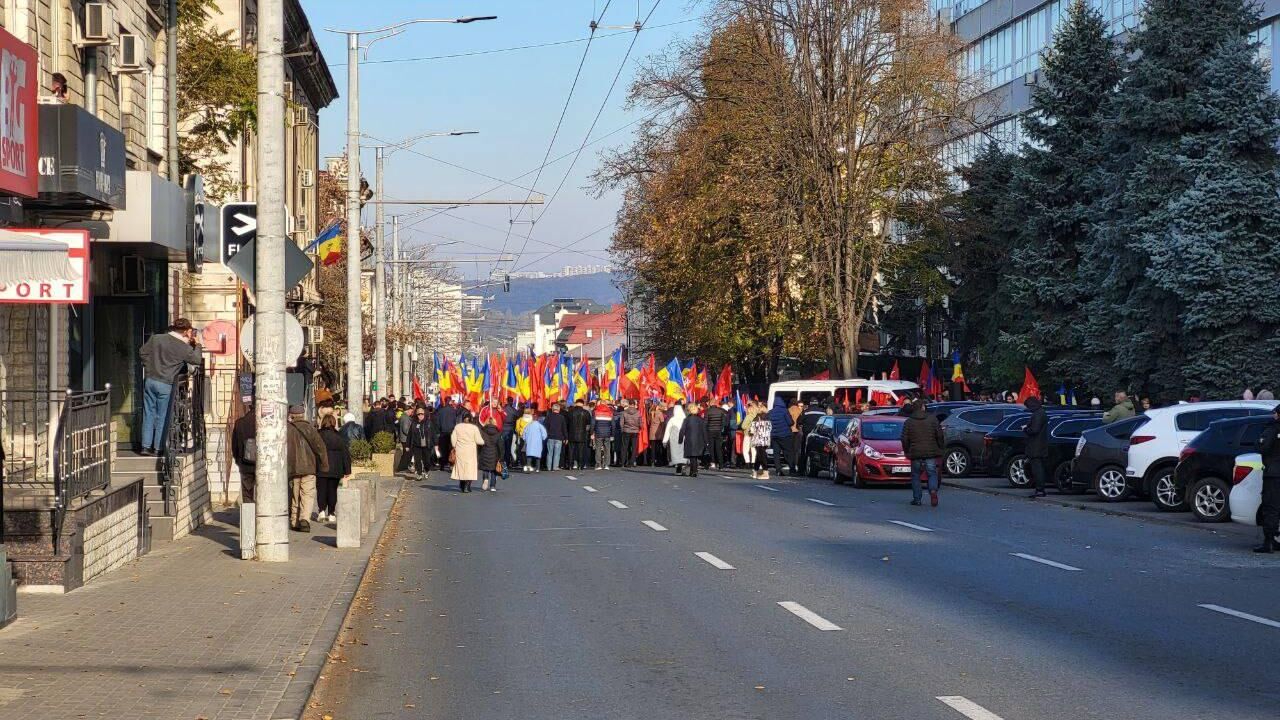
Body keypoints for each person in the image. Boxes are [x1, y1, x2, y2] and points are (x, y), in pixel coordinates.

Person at [138, 318, 204, 455]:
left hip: (150, 379)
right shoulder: (183, 347)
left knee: (148, 413)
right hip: (165, 383)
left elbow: (142, 352)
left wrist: (149, 367)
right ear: (186, 331)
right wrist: (197, 345)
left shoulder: (156, 338)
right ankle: (158, 448)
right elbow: (197, 360)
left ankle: (145, 446)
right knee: (162, 416)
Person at [286, 405, 328, 532]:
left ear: (291, 416)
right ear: (303, 415)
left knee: (295, 494)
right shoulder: (311, 429)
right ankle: (304, 519)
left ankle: (294, 520)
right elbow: (320, 448)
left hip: (292, 468)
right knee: (307, 494)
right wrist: (324, 466)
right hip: (309, 467)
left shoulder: (286, 429)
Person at [901, 399, 944, 507]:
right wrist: (940, 447)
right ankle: (933, 491)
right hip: (930, 451)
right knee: (931, 472)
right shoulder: (932, 419)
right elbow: (939, 435)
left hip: (915, 452)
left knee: (916, 475)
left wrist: (907, 450)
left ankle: (917, 499)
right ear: (923, 407)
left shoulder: (909, 421)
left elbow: (904, 438)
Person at [316, 415, 351, 523]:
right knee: (332, 490)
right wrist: (347, 470)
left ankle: (321, 511)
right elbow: (345, 454)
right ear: (334, 423)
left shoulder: (318, 435)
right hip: (336, 468)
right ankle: (331, 513)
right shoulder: (339, 436)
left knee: (321, 490)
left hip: (321, 467)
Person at [1255, 406, 1280, 553]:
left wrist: (1258, 441)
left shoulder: (1273, 429)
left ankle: (1268, 542)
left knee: (1271, 508)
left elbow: (1262, 447)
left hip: (1274, 475)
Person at [451, 415, 486, 492]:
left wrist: (454, 446)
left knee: (461, 467)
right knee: (470, 468)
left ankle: (462, 484)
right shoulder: (474, 428)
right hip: (470, 451)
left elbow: (453, 438)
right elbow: (478, 440)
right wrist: (484, 442)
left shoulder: (458, 427)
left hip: (460, 450)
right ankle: (467, 486)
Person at [1023, 395, 1049, 498]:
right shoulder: (1041, 412)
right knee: (1038, 467)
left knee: (1037, 468)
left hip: (1036, 446)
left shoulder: (1037, 414)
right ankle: (1039, 488)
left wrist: (1025, 429)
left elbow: (1034, 430)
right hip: (1040, 445)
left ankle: (1039, 489)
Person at [231, 407, 256, 504]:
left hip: (245, 465)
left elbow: (234, 445)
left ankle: (248, 516)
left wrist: (238, 460)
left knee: (247, 493)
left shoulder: (240, 423)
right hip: (262, 464)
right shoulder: (264, 424)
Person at [679, 403, 708, 477]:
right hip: (699, 440)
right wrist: (706, 441)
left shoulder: (687, 419)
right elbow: (704, 431)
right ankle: (694, 470)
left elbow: (682, 430)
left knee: (692, 456)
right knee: (695, 456)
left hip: (689, 439)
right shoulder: (701, 420)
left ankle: (693, 471)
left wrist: (680, 439)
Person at [768, 397, 793, 476]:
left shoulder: (770, 412)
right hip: (785, 435)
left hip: (774, 435)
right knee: (788, 452)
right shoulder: (784, 411)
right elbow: (790, 422)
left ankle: (778, 470)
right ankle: (792, 469)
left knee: (776, 453)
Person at [409, 406, 436, 478]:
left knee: (427, 461)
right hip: (416, 444)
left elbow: (433, 434)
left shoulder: (429, 423)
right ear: (416, 415)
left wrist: (436, 444)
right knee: (417, 460)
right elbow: (410, 434)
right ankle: (419, 474)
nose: (420, 416)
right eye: (419, 414)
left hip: (427, 444)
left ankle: (426, 470)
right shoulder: (414, 423)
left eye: (422, 414)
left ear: (424, 414)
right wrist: (407, 445)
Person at [567, 399, 592, 470]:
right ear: (583, 404)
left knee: (571, 451)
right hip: (582, 434)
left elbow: (567, 423)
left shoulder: (570, 412)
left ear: (576, 403)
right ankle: (580, 466)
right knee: (581, 451)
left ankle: (570, 466)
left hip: (571, 434)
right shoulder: (586, 412)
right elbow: (588, 423)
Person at [479, 419, 503, 491]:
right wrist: (501, 456)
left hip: (484, 452)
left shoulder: (482, 432)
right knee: (493, 470)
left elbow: (479, 444)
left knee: (485, 468)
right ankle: (492, 486)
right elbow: (500, 446)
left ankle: (485, 479)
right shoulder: (498, 433)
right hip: (494, 453)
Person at [664, 402, 687, 474]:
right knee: (683, 453)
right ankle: (683, 466)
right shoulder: (685, 419)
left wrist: (665, 440)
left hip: (674, 440)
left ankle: (679, 469)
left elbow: (667, 430)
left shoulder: (672, 419)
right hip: (684, 439)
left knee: (676, 454)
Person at [437, 398, 460, 471]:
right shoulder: (453, 411)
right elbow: (455, 421)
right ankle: (451, 464)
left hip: (443, 432)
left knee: (443, 449)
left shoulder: (441, 411)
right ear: (450, 402)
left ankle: (442, 465)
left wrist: (439, 430)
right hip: (451, 432)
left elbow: (438, 422)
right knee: (451, 448)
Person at [617, 400, 641, 467]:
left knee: (624, 447)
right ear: (634, 404)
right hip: (635, 431)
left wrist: (622, 429)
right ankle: (632, 462)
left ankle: (623, 463)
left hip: (626, 431)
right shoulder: (638, 412)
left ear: (629, 404)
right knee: (633, 448)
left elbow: (621, 423)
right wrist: (639, 428)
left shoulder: (624, 412)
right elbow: (640, 423)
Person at [749, 409, 772, 479]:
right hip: (766, 440)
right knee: (759, 455)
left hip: (758, 440)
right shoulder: (768, 420)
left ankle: (765, 472)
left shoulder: (756, 419)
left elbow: (751, 431)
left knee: (761, 455)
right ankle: (755, 471)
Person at [704, 400, 727, 470]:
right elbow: (723, 422)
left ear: (710, 404)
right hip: (718, 432)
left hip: (710, 431)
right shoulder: (721, 411)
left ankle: (713, 462)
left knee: (711, 448)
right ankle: (721, 465)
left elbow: (705, 422)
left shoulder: (708, 411)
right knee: (718, 448)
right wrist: (720, 429)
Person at [592, 400, 615, 470]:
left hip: (598, 433)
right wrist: (612, 434)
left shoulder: (595, 412)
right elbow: (613, 425)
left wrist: (592, 433)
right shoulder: (610, 413)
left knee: (598, 449)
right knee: (607, 450)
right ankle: (606, 465)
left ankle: (598, 465)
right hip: (607, 434)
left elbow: (593, 424)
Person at [544, 403, 567, 471]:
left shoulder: (548, 416)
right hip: (559, 437)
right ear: (559, 410)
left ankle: (548, 467)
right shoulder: (562, 417)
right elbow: (564, 428)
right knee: (557, 453)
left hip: (550, 437)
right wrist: (566, 437)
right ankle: (555, 467)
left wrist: (546, 435)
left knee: (549, 453)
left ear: (552, 409)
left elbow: (545, 426)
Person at [395, 404, 416, 475]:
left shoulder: (404, 417)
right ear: (408, 410)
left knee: (407, 454)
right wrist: (412, 434)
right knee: (406, 454)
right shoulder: (406, 418)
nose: (412, 412)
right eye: (411, 411)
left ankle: (404, 467)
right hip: (406, 439)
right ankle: (402, 468)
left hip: (404, 438)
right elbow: (405, 429)